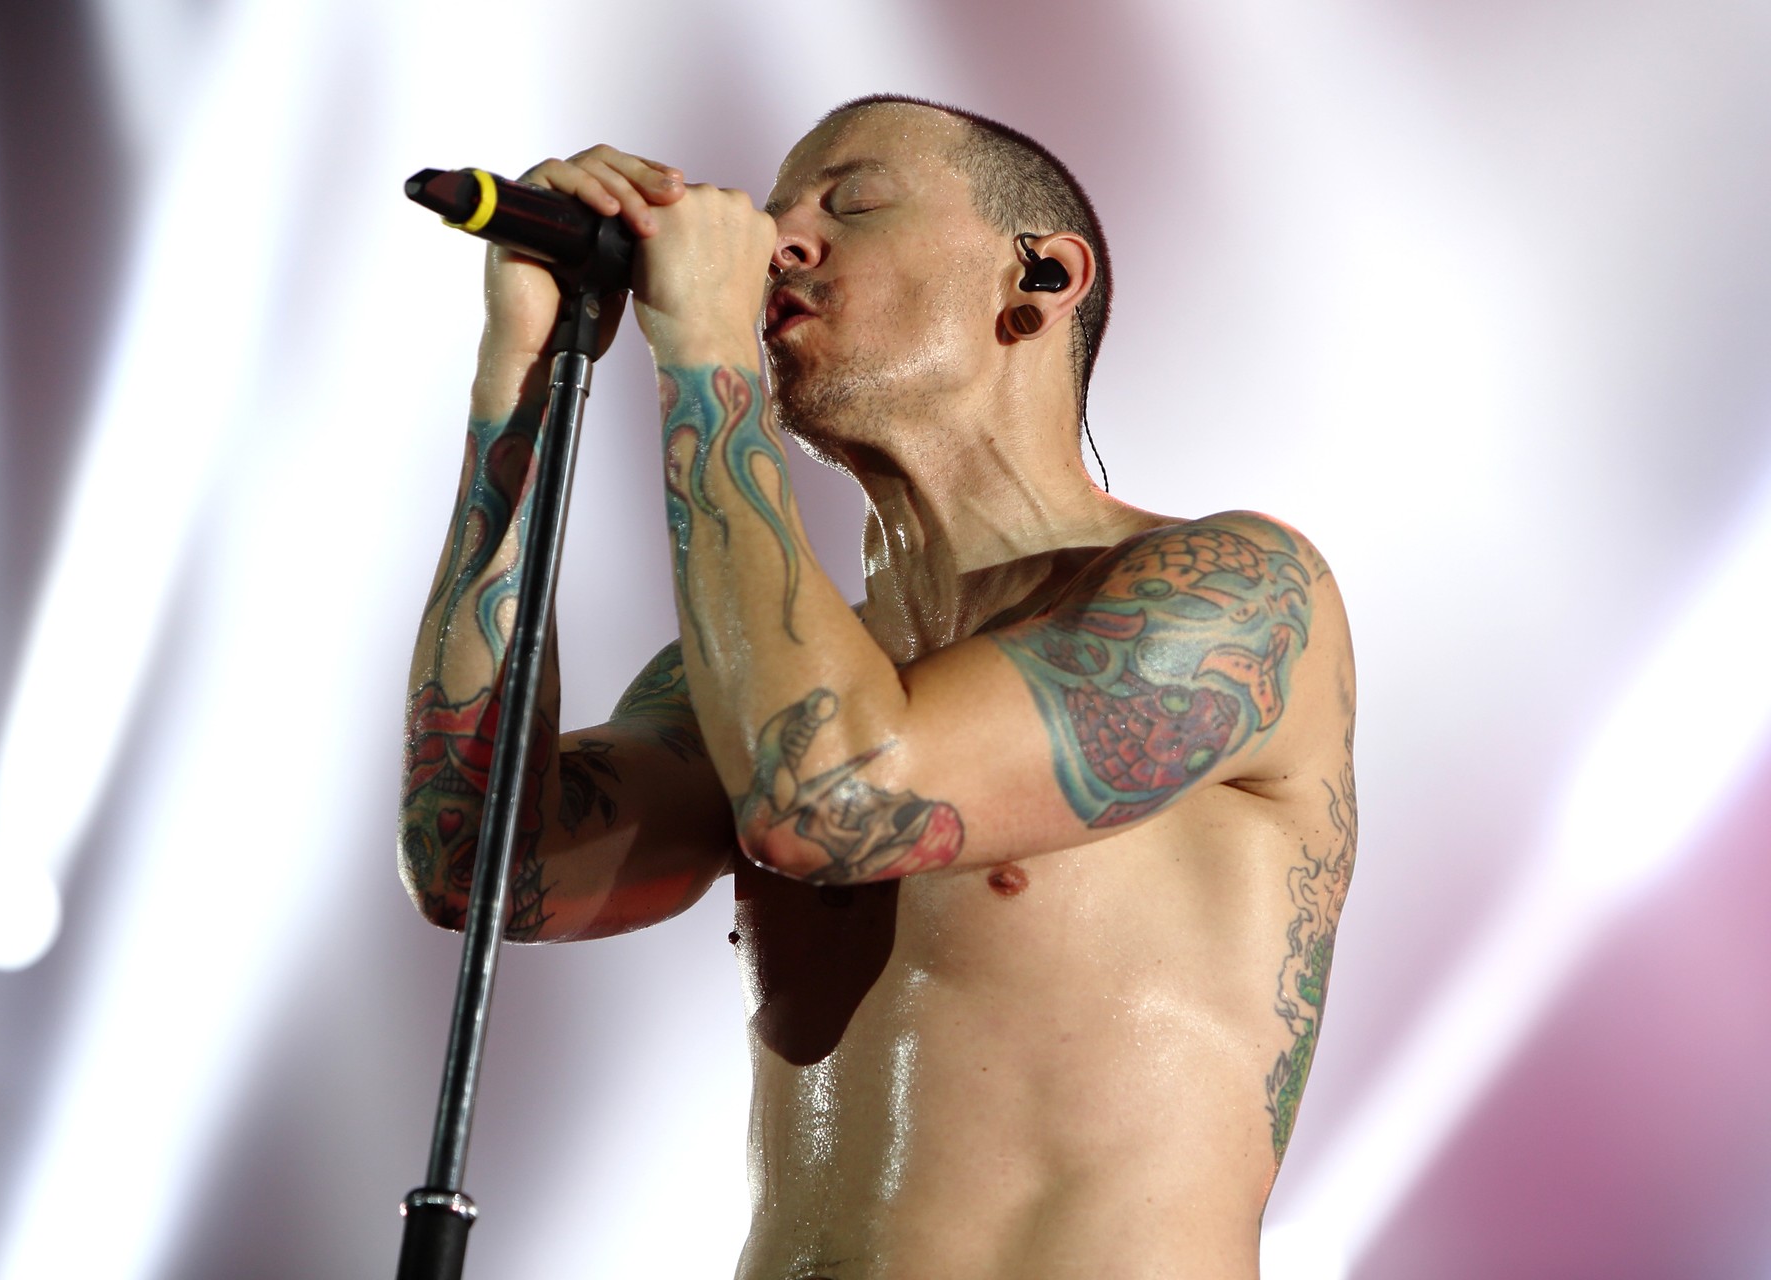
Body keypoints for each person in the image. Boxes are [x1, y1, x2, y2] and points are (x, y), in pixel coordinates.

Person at [399, 95, 1356, 1279]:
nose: (776, 244)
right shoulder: (742, 681)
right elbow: (478, 860)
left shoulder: (1242, 593)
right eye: (770, 217)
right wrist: (526, 386)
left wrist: (702, 354)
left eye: (849, 204)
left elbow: (834, 794)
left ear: (1041, 277)